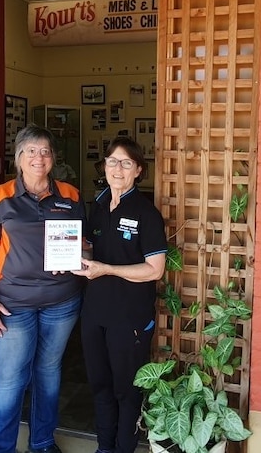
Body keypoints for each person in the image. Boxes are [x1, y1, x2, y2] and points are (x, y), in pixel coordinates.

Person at [0, 124, 86, 453]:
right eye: (31, 151)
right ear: (19, 158)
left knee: (49, 372)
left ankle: (42, 442)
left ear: (53, 158)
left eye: (45, 151)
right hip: (13, 304)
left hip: (62, 301)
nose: (39, 157)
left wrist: (79, 256)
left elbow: (85, 244)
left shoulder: (71, 194)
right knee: (9, 380)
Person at [73, 137, 167, 453]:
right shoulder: (97, 206)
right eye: (112, 161)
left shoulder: (146, 213)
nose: (118, 168)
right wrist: (74, 255)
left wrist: (107, 269)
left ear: (138, 171)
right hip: (95, 313)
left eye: (126, 163)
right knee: (99, 385)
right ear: (104, 166)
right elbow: (91, 248)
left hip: (130, 318)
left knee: (126, 390)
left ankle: (124, 447)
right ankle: (104, 447)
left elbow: (155, 270)